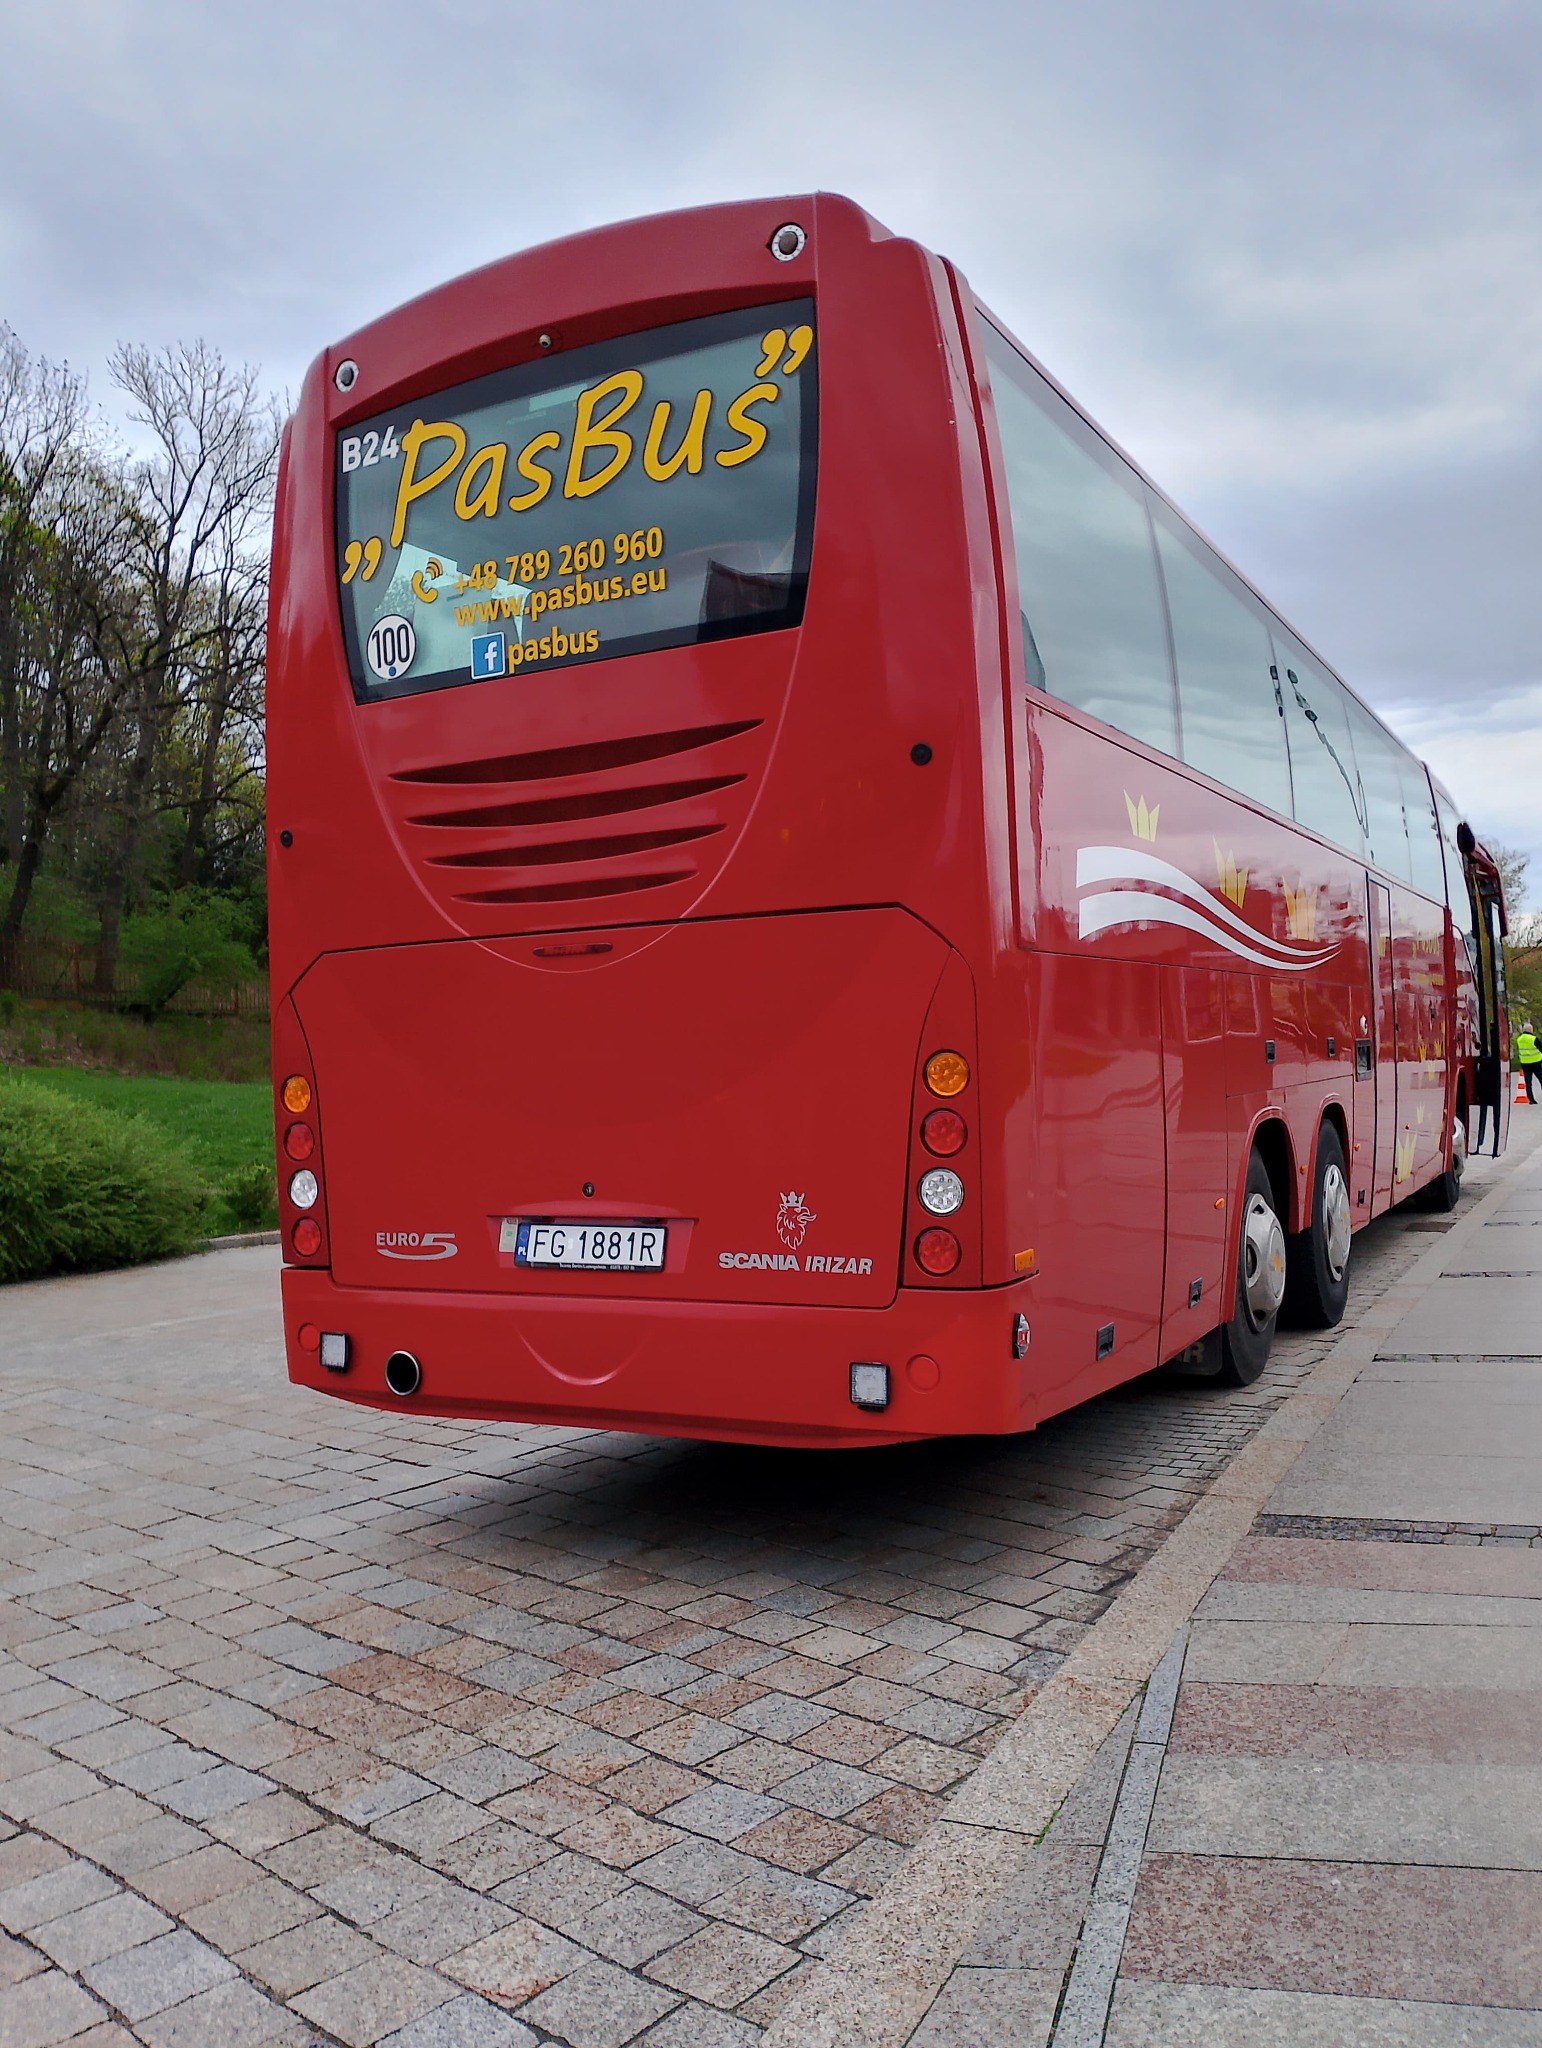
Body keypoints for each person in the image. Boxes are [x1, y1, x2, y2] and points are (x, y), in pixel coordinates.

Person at [1518, 1022, 1542, 1103]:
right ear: (1530, 1030)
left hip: (1525, 1063)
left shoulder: (1519, 1039)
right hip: (1536, 1062)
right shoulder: (1533, 1039)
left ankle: (1531, 1100)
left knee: (1528, 1082)